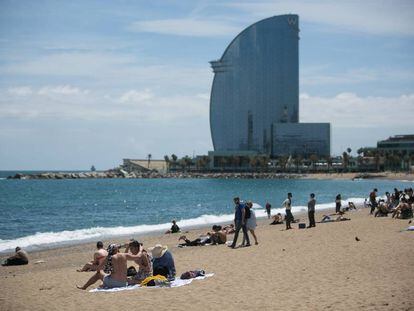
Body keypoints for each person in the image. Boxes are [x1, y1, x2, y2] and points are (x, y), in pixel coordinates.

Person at [76, 244, 143, 290]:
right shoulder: (125, 255)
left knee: (99, 273)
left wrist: (89, 266)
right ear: (117, 250)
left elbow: (99, 268)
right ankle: (103, 283)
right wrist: (140, 249)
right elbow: (138, 256)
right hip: (123, 283)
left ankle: (84, 287)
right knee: (107, 276)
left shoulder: (109, 258)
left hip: (114, 283)